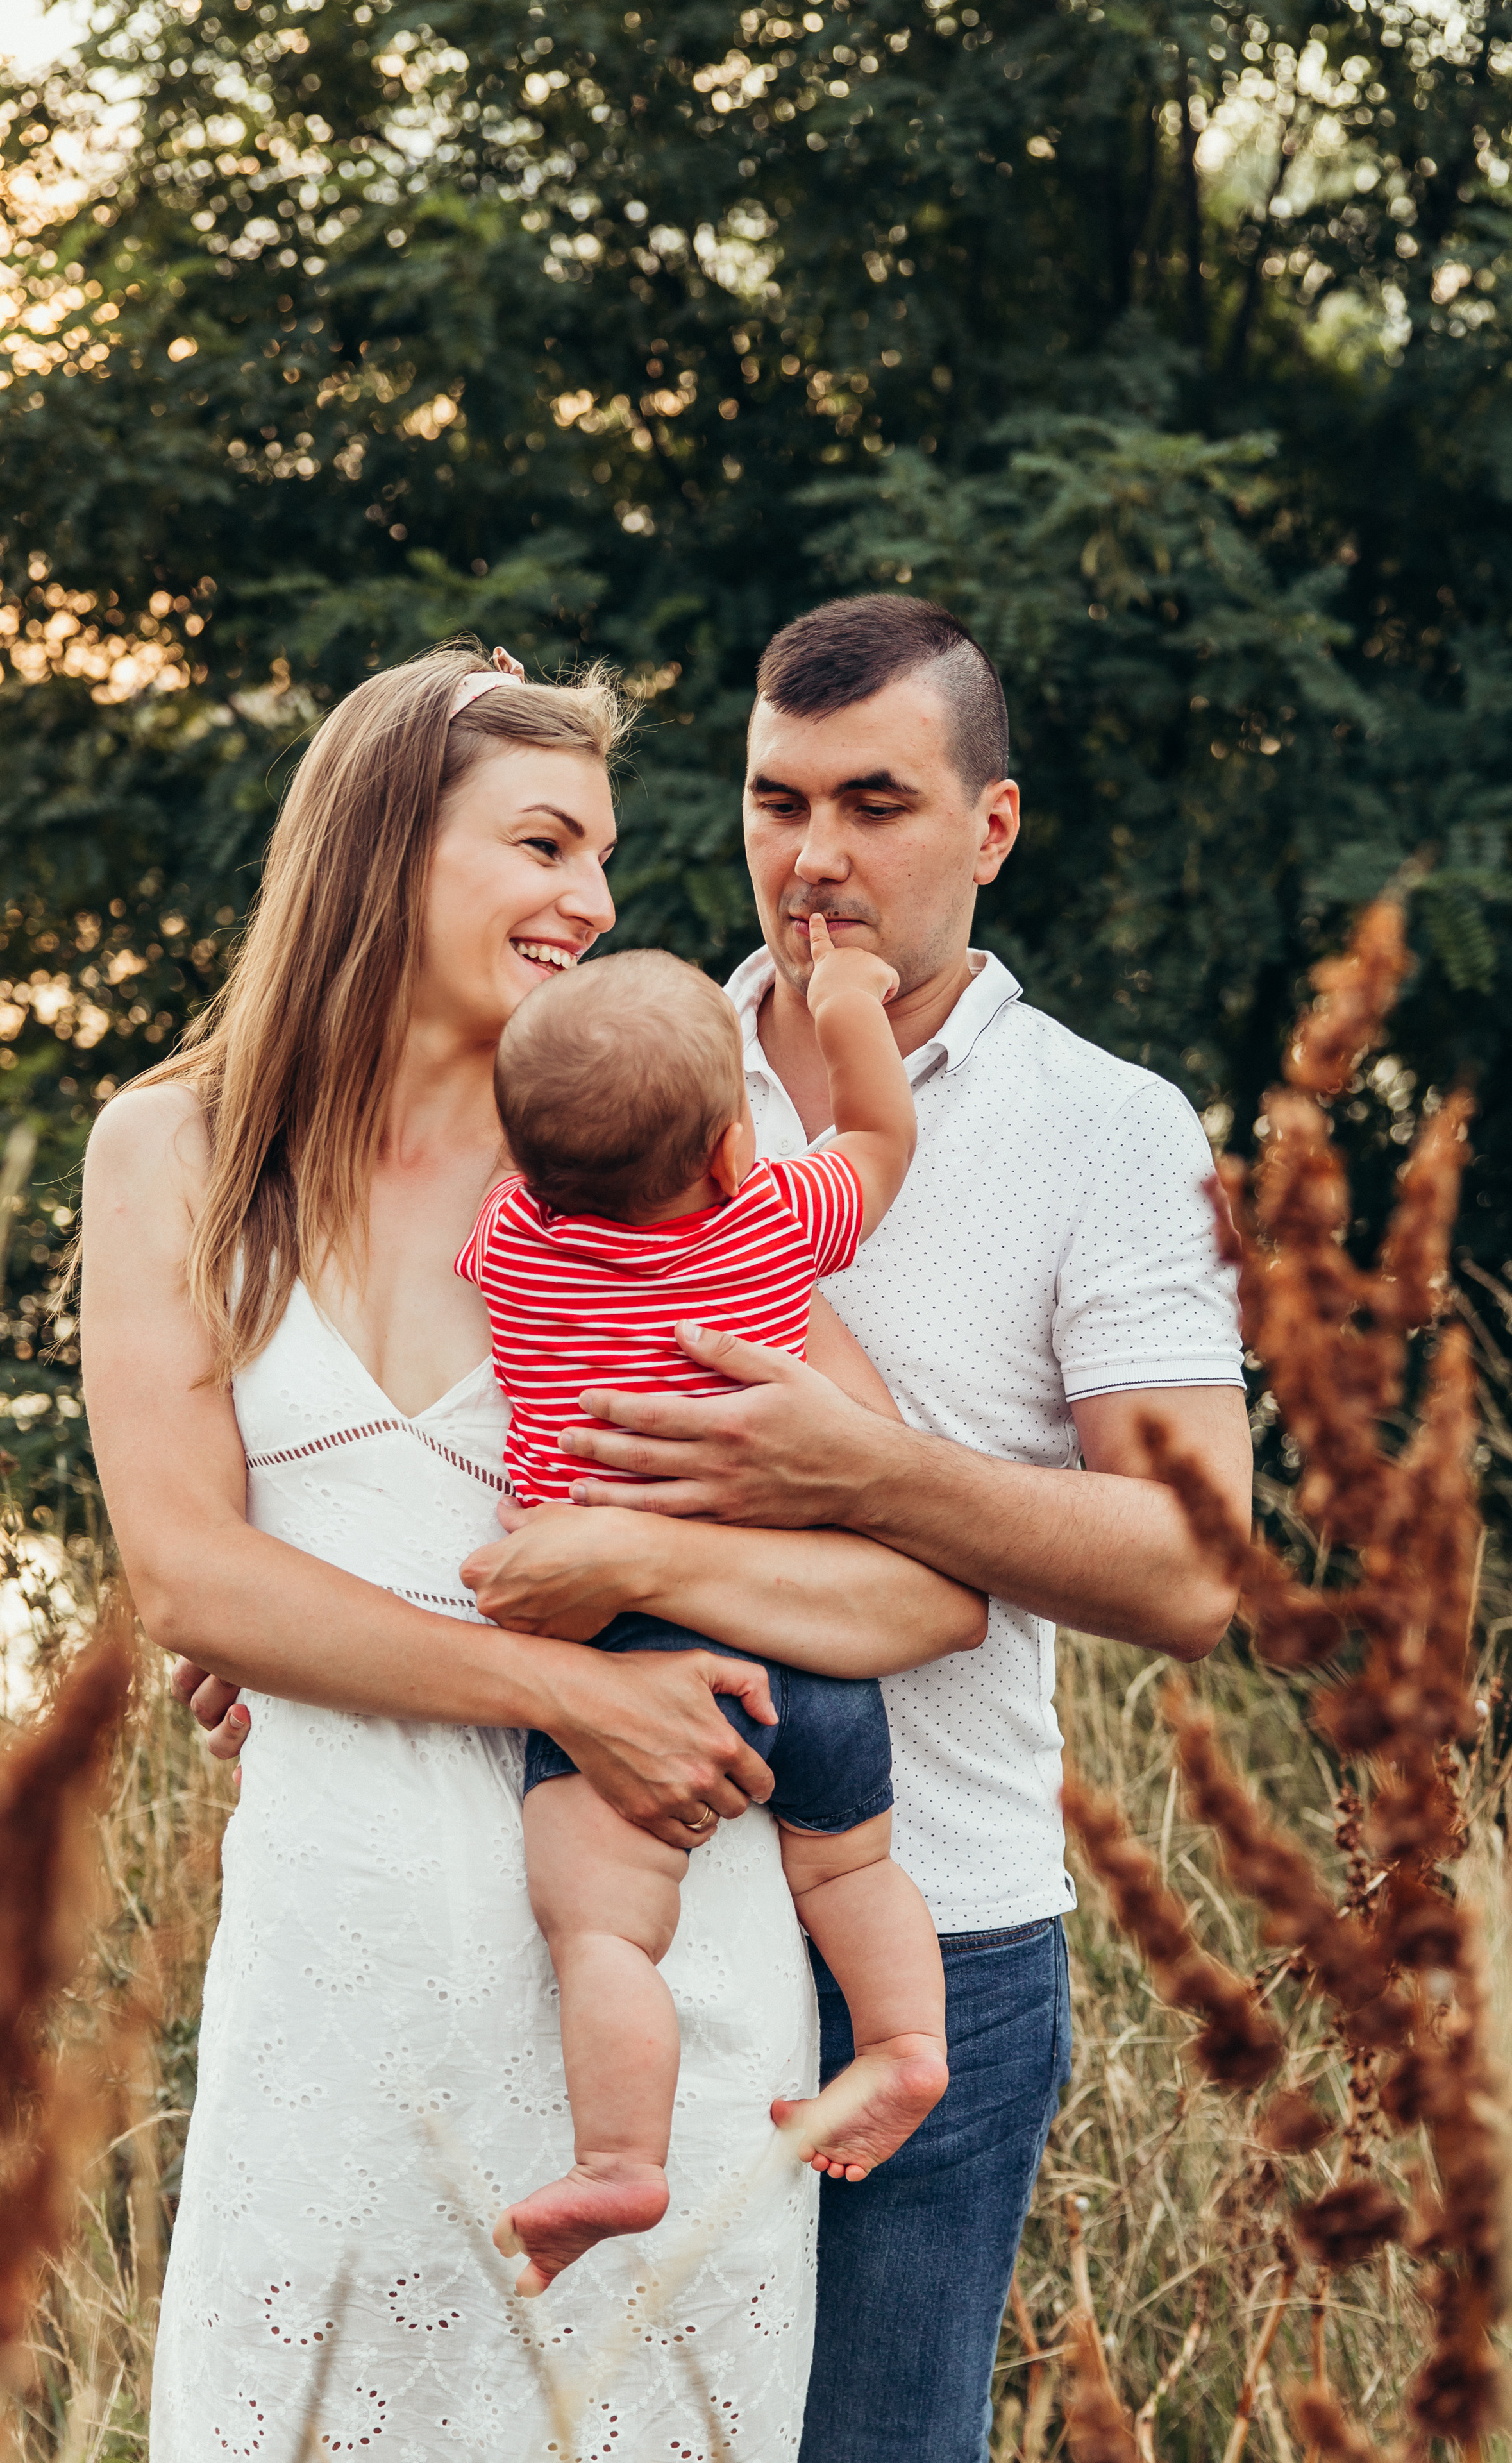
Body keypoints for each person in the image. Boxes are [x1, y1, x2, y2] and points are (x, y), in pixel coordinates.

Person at [82, 638, 983, 2458]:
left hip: (664, 1986)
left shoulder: (638, 1170)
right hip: (335, 1989)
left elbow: (924, 1585)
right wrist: (566, 1682)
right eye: (547, 845)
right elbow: (191, 1577)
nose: (596, 900)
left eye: (605, 860)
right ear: (387, 847)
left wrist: (632, 1606)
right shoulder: (171, 1152)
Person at [408, 595, 1253, 2459]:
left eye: (875, 802)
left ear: (992, 828)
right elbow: (458, 1422)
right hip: (591, 1899)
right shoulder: (588, 1069)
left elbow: (1195, 1572)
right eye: (778, 803)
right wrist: (318, 1649)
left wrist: (853, 1467)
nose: (814, 859)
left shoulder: (1107, 1130)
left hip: (928, 1922)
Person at [467, 933, 960, 2299]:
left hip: (621, 1646)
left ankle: (622, 2155)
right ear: (737, 1148)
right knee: (848, 1869)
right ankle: (904, 2040)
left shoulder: (514, 1251)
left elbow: (519, 1180)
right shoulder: (767, 1222)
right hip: (795, 1627)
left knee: (604, 1929)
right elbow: (876, 1131)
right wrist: (851, 1003)